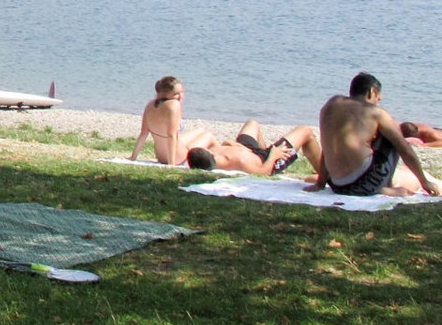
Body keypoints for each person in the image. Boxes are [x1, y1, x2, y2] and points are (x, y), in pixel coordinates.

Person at [307, 72, 439, 198]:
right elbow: (404, 149)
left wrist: (320, 183)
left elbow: (327, 146)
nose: (379, 99)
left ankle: (380, 187)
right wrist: (424, 182)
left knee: (334, 136)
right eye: (378, 96)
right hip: (365, 184)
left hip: (336, 185)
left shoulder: (331, 104)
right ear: (372, 92)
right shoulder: (375, 112)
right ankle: (386, 186)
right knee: (393, 136)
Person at [184, 119, 321, 176]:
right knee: (306, 132)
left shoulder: (213, 153)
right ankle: (324, 175)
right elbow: (262, 173)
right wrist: (273, 156)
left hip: (249, 150)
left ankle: (263, 149)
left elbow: (223, 144)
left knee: (252, 123)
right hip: (266, 159)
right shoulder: (240, 162)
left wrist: (232, 144)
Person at [129, 75, 211, 165]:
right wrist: (171, 164)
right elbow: (171, 135)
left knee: (201, 131)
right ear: (165, 93)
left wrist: (133, 157)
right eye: (176, 94)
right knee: (208, 136)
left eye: (182, 92)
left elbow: (143, 133)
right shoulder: (174, 105)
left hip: (160, 156)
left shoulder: (150, 105)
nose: (181, 96)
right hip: (178, 157)